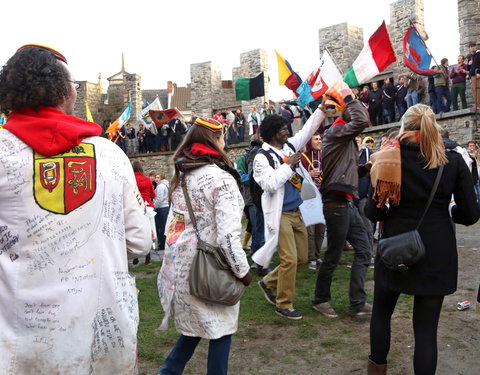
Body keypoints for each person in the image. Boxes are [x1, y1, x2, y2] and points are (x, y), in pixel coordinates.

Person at [0, 44, 151, 374]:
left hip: (23, 349)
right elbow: (141, 242)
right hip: (103, 345)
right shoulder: (111, 156)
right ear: (64, 92)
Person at [365, 104, 480, 374]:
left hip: (395, 244)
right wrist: (450, 209)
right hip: (436, 249)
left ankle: (376, 369)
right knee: (426, 329)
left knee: (381, 313)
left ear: (404, 127)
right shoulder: (452, 160)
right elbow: (471, 213)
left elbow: (374, 211)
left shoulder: (388, 158)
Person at [157, 117, 251, 375]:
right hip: (212, 268)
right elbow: (229, 237)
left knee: (198, 327)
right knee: (220, 330)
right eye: (222, 138)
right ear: (215, 140)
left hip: (182, 266)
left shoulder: (182, 176)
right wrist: (243, 272)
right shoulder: (222, 179)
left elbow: (174, 227)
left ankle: (168, 372)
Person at [252, 107, 325, 320]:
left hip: (297, 212)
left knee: (302, 258)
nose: (287, 130)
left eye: (287, 126)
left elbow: (309, 128)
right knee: (290, 260)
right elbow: (270, 184)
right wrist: (289, 165)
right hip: (280, 214)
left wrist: (322, 108)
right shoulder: (261, 157)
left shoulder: (289, 146)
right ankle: (283, 304)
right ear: (273, 132)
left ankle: (268, 282)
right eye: (282, 128)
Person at [311, 81, 373, 319]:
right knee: (334, 255)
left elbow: (342, 172)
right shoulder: (336, 131)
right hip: (336, 204)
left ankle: (357, 303)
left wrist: (362, 170)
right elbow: (361, 120)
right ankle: (320, 299)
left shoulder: (341, 136)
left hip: (345, 202)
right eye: (350, 106)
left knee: (365, 250)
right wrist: (348, 98)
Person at [300, 132, 326, 270]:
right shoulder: (303, 158)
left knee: (321, 230)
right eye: (316, 139)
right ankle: (311, 258)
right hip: (309, 198)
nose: (319, 141)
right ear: (309, 142)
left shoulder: (323, 156)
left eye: (320, 138)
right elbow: (296, 177)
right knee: (310, 230)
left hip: (322, 197)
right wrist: (309, 175)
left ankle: (317, 255)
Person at [133, 161, 156, 264]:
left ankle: (136, 256)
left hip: (135, 208)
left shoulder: (131, 179)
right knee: (149, 232)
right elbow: (153, 194)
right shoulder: (147, 179)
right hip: (147, 207)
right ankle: (148, 258)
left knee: (135, 232)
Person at [153, 173, 169, 251]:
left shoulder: (160, 186)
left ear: (162, 178)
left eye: (158, 177)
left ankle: (162, 245)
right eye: (156, 177)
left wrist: (154, 207)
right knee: (164, 226)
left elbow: (159, 199)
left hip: (161, 208)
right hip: (164, 207)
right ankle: (163, 243)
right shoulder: (164, 185)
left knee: (161, 227)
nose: (156, 179)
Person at [467, 42, 480, 108]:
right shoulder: (471, 56)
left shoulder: (479, 54)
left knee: (478, 90)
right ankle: (477, 104)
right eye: (470, 46)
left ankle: (478, 105)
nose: (472, 47)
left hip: (477, 74)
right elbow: (469, 68)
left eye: (473, 46)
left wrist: (479, 72)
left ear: (476, 46)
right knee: (474, 90)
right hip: (472, 76)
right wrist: (469, 64)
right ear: (469, 48)